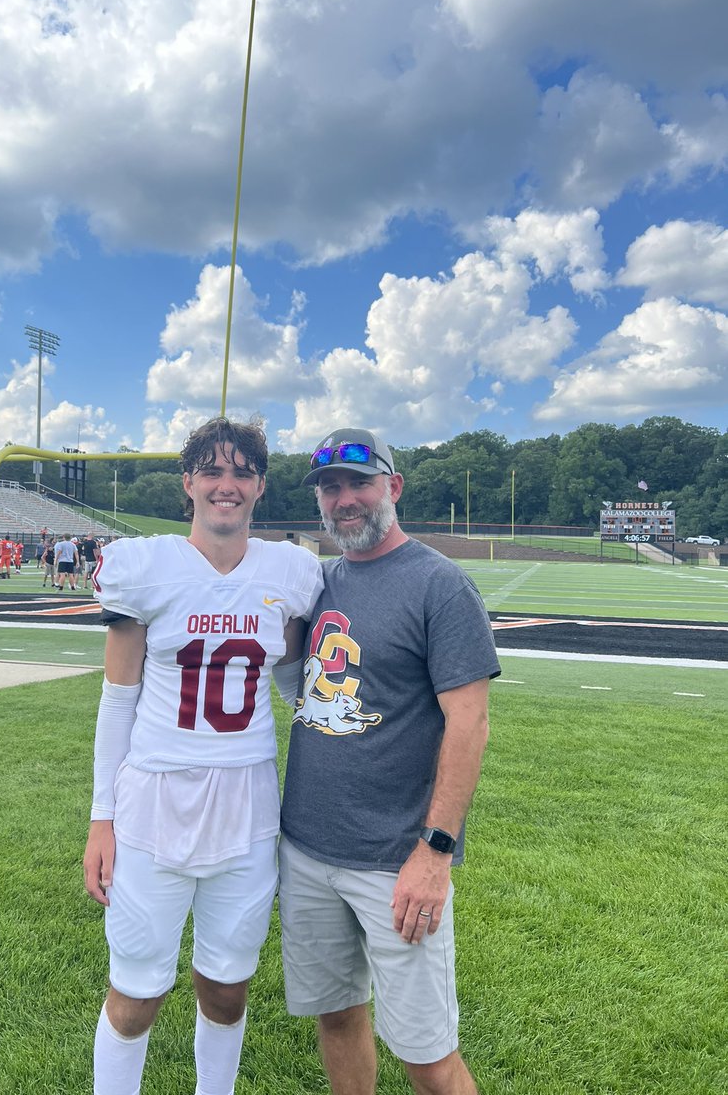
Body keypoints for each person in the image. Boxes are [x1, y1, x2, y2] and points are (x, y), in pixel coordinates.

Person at [84, 416, 323, 1095]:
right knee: (135, 996)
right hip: (154, 802)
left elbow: (290, 677)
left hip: (247, 805)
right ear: (188, 482)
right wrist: (102, 818)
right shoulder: (146, 567)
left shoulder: (291, 572)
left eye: (242, 471)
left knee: (226, 990)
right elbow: (117, 702)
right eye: (213, 470)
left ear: (260, 486)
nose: (227, 484)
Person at [278, 428, 500, 1095]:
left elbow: (471, 723)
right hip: (308, 848)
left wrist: (435, 853)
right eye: (330, 488)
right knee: (338, 1015)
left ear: (393, 488)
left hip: (394, 859)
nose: (345, 499)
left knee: (428, 1057)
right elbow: (295, 680)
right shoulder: (318, 582)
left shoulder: (440, 585)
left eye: (359, 482)